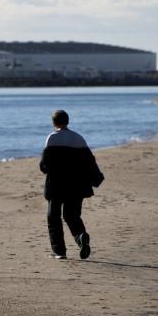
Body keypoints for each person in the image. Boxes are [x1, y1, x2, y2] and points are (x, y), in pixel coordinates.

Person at [39, 110, 104, 260]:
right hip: (77, 185)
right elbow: (90, 162)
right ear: (68, 121)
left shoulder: (52, 138)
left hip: (57, 185)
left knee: (53, 217)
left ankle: (59, 251)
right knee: (72, 215)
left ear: (54, 123)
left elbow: (44, 166)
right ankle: (81, 237)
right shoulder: (79, 138)